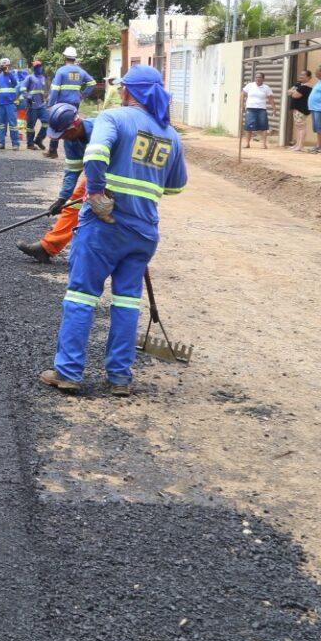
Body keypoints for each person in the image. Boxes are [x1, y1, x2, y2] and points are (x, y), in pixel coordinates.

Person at [40, 64, 187, 396]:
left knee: (81, 296)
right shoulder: (171, 134)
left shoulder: (113, 118)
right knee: (126, 301)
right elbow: (176, 187)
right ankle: (119, 377)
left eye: (123, 88)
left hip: (104, 227)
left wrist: (95, 194)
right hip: (143, 232)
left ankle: (69, 373)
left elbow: (96, 154)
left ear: (129, 92)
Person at [17, 102, 88, 263]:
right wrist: (62, 199)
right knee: (73, 205)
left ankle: (99, 257)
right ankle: (46, 248)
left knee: (96, 212)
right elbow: (72, 171)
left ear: (74, 128)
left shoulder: (101, 131)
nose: (61, 138)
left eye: (63, 133)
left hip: (118, 173)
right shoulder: (71, 140)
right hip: (96, 176)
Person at [45, 47, 96, 158]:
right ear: (75, 58)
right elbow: (92, 83)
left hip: (62, 104)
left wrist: (50, 104)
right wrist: (83, 94)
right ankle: (76, 152)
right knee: (73, 126)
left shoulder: (61, 71)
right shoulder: (81, 71)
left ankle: (53, 151)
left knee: (56, 125)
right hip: (75, 103)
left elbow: (55, 89)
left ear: (65, 57)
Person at [0, 57, 22, 150]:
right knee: (0, 124)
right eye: (3, 66)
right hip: (0, 103)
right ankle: (1, 143)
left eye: (6, 66)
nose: (5, 67)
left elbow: (15, 84)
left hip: (10, 103)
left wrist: (8, 73)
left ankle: (15, 144)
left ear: (9, 66)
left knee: (13, 124)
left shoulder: (13, 74)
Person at [241, 70, 273, 149]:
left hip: (261, 109)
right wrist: (242, 105)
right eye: (256, 77)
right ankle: (247, 143)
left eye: (259, 77)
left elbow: (270, 98)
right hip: (250, 109)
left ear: (263, 79)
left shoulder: (266, 88)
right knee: (248, 126)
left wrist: (274, 108)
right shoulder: (250, 85)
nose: (258, 79)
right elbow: (242, 95)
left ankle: (263, 144)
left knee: (264, 126)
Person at [21, 61, 48, 147]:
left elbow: (45, 91)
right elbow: (22, 89)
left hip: (42, 106)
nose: (39, 68)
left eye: (40, 66)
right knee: (30, 126)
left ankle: (38, 140)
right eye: (37, 67)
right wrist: (27, 96)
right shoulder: (29, 78)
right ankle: (30, 143)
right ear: (34, 68)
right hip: (32, 106)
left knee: (46, 122)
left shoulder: (43, 78)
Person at [287, 67, 314, 151]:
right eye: (300, 74)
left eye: (303, 75)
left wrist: (293, 92)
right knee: (298, 127)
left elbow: (295, 95)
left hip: (301, 109)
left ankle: (300, 146)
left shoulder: (306, 87)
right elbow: (288, 92)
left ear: (308, 77)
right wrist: (292, 92)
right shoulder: (299, 84)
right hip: (297, 109)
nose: (301, 76)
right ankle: (297, 145)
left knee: (301, 127)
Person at [308, 65, 321, 154]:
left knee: (320, 128)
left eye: (318, 71)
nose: (316, 72)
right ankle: (319, 145)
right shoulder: (319, 82)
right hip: (314, 108)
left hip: (320, 109)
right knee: (317, 128)